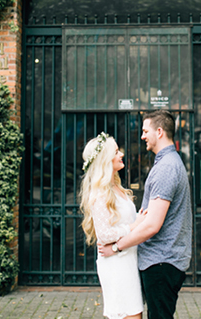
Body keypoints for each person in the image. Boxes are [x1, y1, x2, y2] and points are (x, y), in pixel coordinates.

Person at [98, 110, 193, 319]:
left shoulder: (166, 168)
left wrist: (115, 247)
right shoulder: (168, 163)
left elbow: (152, 225)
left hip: (161, 261)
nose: (142, 136)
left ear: (159, 132)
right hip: (164, 260)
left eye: (145, 131)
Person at [79, 132, 144, 319]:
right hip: (116, 264)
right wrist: (133, 227)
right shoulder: (99, 194)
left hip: (127, 260)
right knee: (129, 314)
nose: (121, 154)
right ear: (105, 159)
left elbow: (129, 220)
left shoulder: (117, 187)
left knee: (133, 313)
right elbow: (105, 235)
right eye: (116, 151)